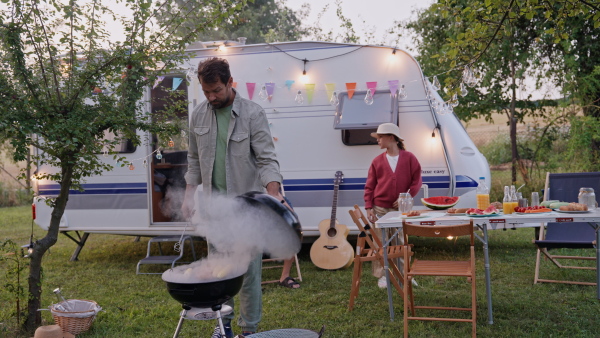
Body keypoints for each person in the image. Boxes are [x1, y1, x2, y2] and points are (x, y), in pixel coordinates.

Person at [181, 57, 285, 338]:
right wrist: (189, 196)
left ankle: (248, 331)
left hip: (246, 209)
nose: (212, 97)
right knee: (219, 273)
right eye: (206, 92)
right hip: (214, 210)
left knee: (247, 275)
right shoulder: (198, 115)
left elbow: (266, 159)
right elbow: (193, 160)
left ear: (230, 82)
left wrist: (273, 192)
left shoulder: (253, 113)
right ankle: (222, 328)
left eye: (217, 90)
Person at [363, 123, 422, 288]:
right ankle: (383, 276)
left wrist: (408, 195)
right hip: (380, 208)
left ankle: (405, 274)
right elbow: (369, 186)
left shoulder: (409, 158)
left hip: (401, 210)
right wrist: (368, 207)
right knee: (382, 243)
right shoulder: (377, 161)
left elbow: (417, 180)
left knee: (401, 241)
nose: (378, 141)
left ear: (391, 137)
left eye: (380, 137)